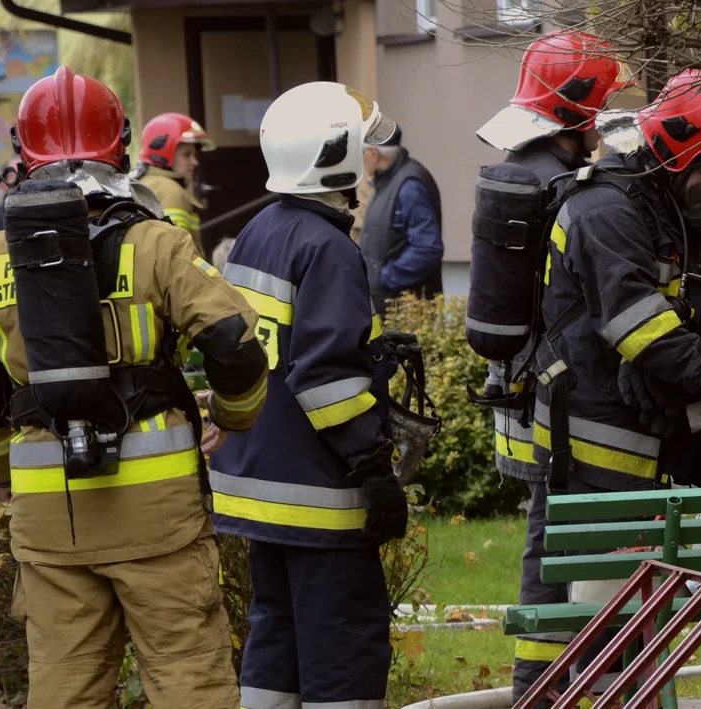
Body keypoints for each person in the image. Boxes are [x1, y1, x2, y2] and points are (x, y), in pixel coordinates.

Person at [0, 67, 268, 708]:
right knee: (187, 679)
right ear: (119, 146)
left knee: (65, 686)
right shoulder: (156, 245)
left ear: (22, 152)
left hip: (48, 517)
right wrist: (232, 421)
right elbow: (236, 347)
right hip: (158, 517)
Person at [530, 67, 701, 692]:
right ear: (676, 154)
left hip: (653, 431)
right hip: (594, 439)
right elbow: (634, 321)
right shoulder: (603, 210)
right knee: (586, 592)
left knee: (640, 603)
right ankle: (539, 695)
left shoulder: (677, 201)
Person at [210, 81, 409, 709]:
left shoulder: (258, 230)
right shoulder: (328, 248)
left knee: (277, 629)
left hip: (259, 483)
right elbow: (328, 379)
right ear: (336, 159)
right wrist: (374, 467)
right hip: (321, 492)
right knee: (343, 641)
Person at [472, 29, 632, 700]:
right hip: (563, 398)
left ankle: (540, 681)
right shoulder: (570, 190)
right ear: (580, 111)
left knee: (550, 534)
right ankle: (554, 682)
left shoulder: (517, 167)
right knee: (565, 539)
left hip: (524, 385)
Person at [361, 125, 444, 313]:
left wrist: (384, 277)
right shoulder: (389, 181)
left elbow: (427, 248)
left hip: (403, 308)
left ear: (373, 153)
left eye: (363, 153)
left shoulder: (409, 186)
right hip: (387, 304)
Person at [132, 112, 215, 254]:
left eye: (195, 155)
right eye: (187, 154)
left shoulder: (145, 183)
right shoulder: (171, 191)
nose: (195, 162)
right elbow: (179, 254)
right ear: (164, 153)